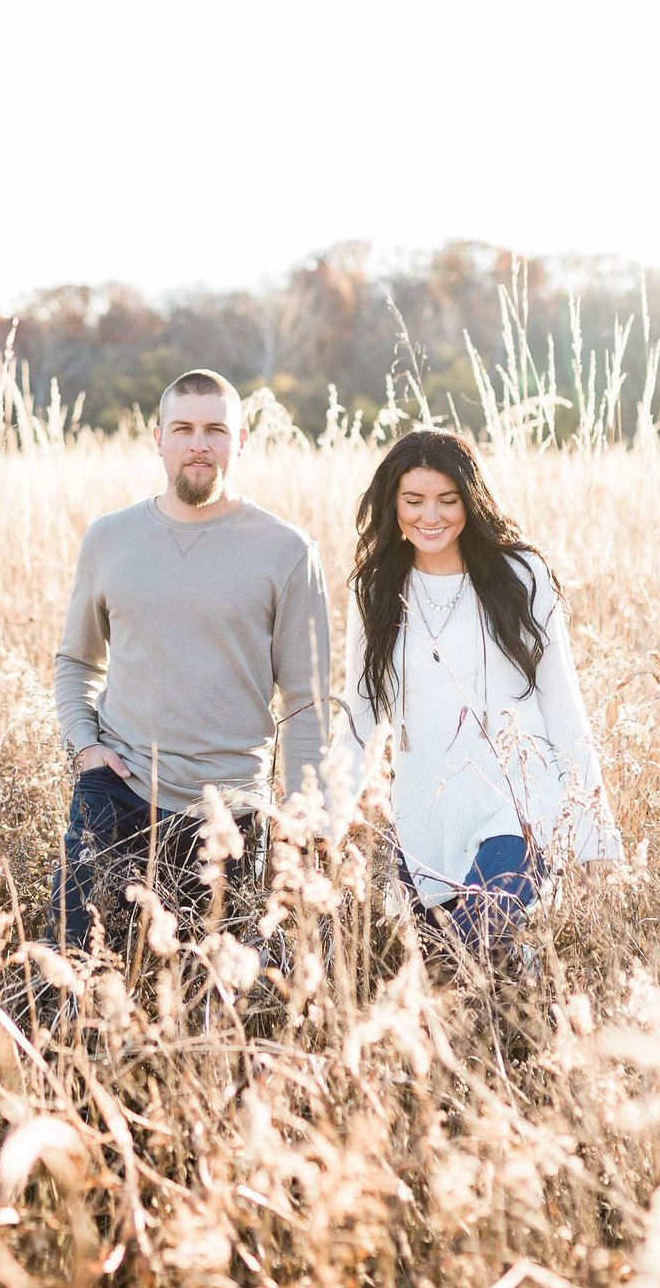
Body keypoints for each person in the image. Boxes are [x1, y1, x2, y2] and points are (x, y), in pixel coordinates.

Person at [50, 369, 334, 955]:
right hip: (118, 788)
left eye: (214, 430)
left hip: (230, 806)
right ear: (158, 438)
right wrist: (85, 747)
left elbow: (307, 698)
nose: (198, 444)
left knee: (215, 991)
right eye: (183, 428)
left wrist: (306, 818)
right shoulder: (109, 538)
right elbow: (77, 660)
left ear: (240, 440)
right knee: (71, 961)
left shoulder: (286, 551)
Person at [334, 428, 622, 955]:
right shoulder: (374, 590)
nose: (432, 516)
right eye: (414, 500)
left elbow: (563, 708)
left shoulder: (520, 576)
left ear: (471, 501)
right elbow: (360, 714)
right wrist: (322, 820)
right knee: (459, 981)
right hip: (424, 813)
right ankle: (535, 1021)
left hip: (520, 803)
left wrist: (594, 834)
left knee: (471, 948)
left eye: (448, 500)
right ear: (391, 504)